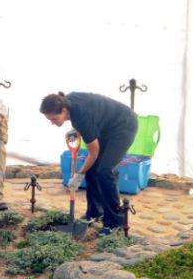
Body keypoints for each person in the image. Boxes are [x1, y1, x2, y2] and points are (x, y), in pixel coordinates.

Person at [40, 91, 138, 236]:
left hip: (124, 126)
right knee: (93, 169)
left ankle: (114, 221)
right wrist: (78, 131)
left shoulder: (81, 117)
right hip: (107, 127)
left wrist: (79, 175)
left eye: (54, 119)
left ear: (64, 110)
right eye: (49, 120)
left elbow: (93, 153)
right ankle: (95, 212)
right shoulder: (68, 100)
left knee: (105, 171)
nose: (52, 123)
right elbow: (92, 115)